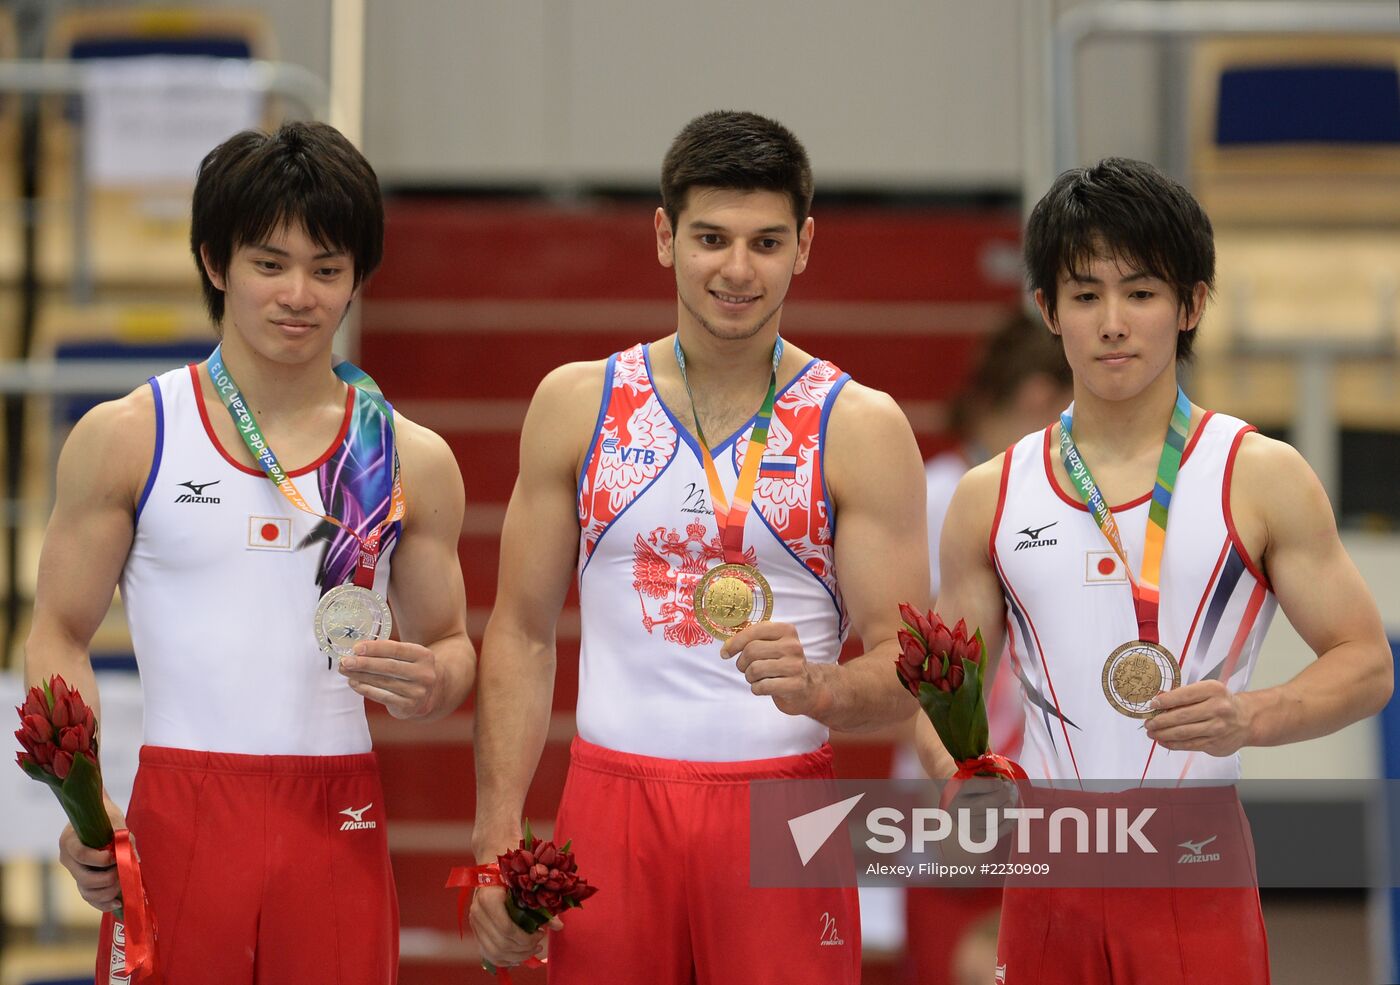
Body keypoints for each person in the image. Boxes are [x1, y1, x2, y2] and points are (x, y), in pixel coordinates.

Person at [469, 109, 930, 984]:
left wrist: (824, 685)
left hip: (785, 810)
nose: (736, 269)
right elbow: (523, 631)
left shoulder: (860, 427)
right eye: (711, 238)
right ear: (663, 237)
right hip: (607, 807)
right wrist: (497, 832)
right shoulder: (577, 404)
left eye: (765, 242)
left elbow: (912, 667)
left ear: (804, 246)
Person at [917, 156, 1392, 984]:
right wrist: (963, 775)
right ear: (1046, 310)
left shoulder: (1258, 474)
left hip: (1191, 852)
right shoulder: (988, 494)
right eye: (1085, 294)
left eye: (1140, 292)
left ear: (1191, 305)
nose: (1113, 322)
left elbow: (1367, 662)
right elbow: (941, 688)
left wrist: (1253, 714)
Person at [24, 121, 475, 984]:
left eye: (327, 268)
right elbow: (57, 631)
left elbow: (450, 647)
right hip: (179, 812)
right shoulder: (128, 438)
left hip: (337, 813)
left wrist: (435, 683)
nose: (298, 294)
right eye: (270, 263)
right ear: (214, 262)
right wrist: (86, 812)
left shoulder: (408, 458)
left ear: (356, 281)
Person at [886, 314, 1070, 984]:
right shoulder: (938, 495)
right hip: (964, 789)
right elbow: (910, 661)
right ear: (1038, 397)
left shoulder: (1060, 502)